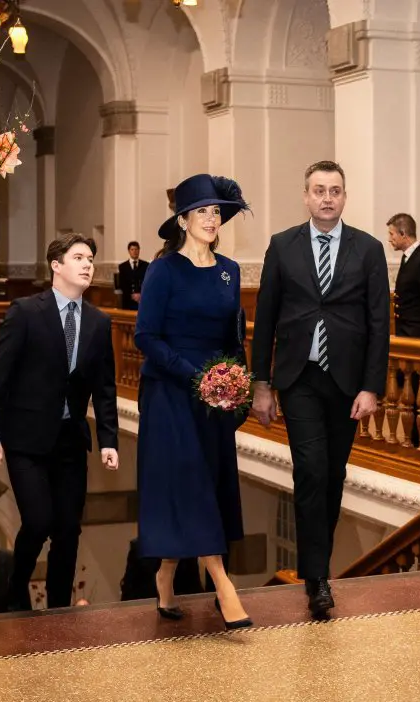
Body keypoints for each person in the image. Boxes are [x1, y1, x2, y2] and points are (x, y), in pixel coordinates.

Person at [251, 160, 390, 620]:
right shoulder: (281, 246)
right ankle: (317, 578)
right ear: (306, 196)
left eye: (335, 190)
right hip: (300, 379)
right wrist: (261, 384)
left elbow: (378, 325)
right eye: (318, 190)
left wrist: (372, 387)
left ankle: (317, 569)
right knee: (310, 471)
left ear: (344, 197)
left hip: (347, 382)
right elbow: (265, 319)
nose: (327, 198)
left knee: (332, 475)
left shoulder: (368, 250)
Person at [134, 173, 253, 630]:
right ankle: (224, 585)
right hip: (170, 391)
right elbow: (147, 336)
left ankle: (165, 576)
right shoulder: (163, 270)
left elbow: (233, 337)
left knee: (208, 482)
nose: (211, 218)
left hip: (217, 395)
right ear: (182, 220)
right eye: (201, 211)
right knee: (192, 483)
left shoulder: (230, 270)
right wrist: (195, 377)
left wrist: (235, 386)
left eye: (216, 211)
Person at [0, 233, 120, 610]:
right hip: (26, 440)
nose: (88, 264)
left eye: (90, 258)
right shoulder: (25, 311)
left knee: (69, 531)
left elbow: (105, 388)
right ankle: (15, 590)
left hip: (71, 440)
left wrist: (109, 440)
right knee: (39, 522)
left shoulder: (98, 322)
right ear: (56, 265)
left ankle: (59, 608)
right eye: (79, 257)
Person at [116, 241, 150, 311]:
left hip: (142, 299)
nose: (134, 251)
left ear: (139, 250)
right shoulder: (122, 266)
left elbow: (147, 283)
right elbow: (122, 284)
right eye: (132, 249)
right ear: (129, 251)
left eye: (136, 249)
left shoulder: (146, 265)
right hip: (127, 300)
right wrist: (132, 295)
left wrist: (140, 294)